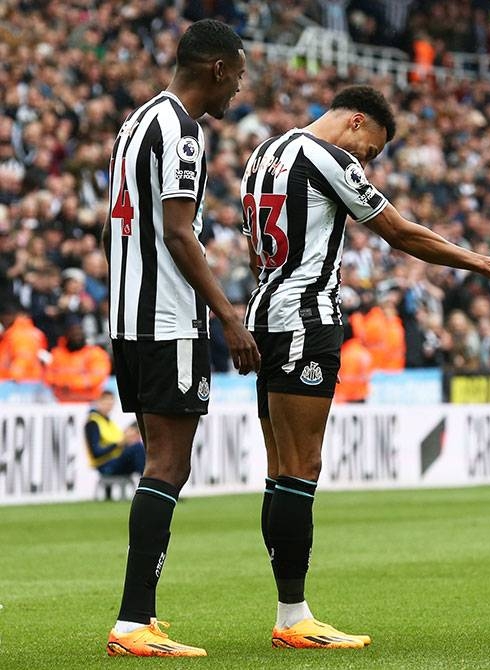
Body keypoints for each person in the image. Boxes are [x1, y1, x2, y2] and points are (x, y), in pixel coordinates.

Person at [241, 84, 490, 650]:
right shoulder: (326, 157)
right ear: (355, 123)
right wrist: (483, 263)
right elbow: (399, 232)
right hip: (305, 318)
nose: (365, 162)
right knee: (302, 468)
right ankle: (293, 617)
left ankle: (288, 613)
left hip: (265, 314)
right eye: (370, 151)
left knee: (279, 470)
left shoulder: (264, 153)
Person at [103, 19, 260, 658]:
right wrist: (228, 316)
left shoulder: (136, 122)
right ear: (217, 68)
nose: (238, 90)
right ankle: (134, 620)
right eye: (239, 75)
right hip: (168, 320)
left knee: (161, 460)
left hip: (127, 315)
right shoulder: (183, 132)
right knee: (169, 463)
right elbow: (176, 232)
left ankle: (139, 617)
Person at [45, 317, 111, 402]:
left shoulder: (96, 353)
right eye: (73, 331)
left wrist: (68, 383)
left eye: (79, 331)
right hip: (61, 403)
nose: (77, 334)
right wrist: (65, 382)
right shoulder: (57, 353)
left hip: (89, 402)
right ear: (66, 334)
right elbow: (48, 376)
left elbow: (96, 377)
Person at [85, 390, 146, 478]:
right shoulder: (93, 423)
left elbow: (117, 440)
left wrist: (127, 438)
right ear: (98, 402)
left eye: (111, 403)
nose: (109, 406)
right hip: (105, 465)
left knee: (139, 448)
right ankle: (147, 482)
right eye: (106, 403)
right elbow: (96, 453)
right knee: (137, 448)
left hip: (114, 461)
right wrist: (119, 444)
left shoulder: (107, 421)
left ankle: (147, 479)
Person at [0, 297, 47, 382]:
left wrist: (13, 379)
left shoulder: (19, 334)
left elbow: (23, 359)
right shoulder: (14, 333)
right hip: (26, 382)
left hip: (18, 384)